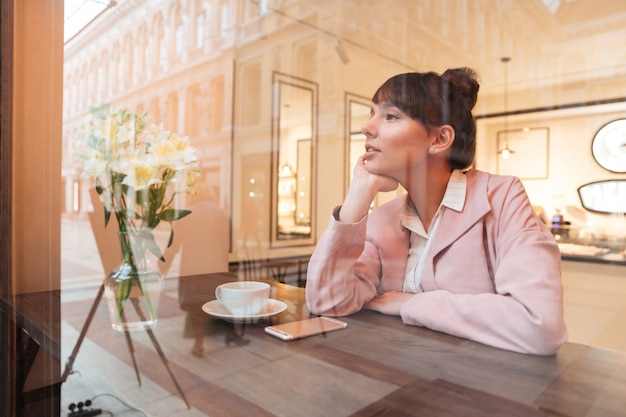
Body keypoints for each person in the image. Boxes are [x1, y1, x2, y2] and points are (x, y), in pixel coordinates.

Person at [305, 68, 568, 355]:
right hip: (399, 383)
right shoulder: (384, 218)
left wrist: (409, 303)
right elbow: (328, 301)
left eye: (390, 116)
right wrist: (357, 197)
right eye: (372, 114)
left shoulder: (502, 197)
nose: (366, 127)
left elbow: (539, 325)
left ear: (439, 139)